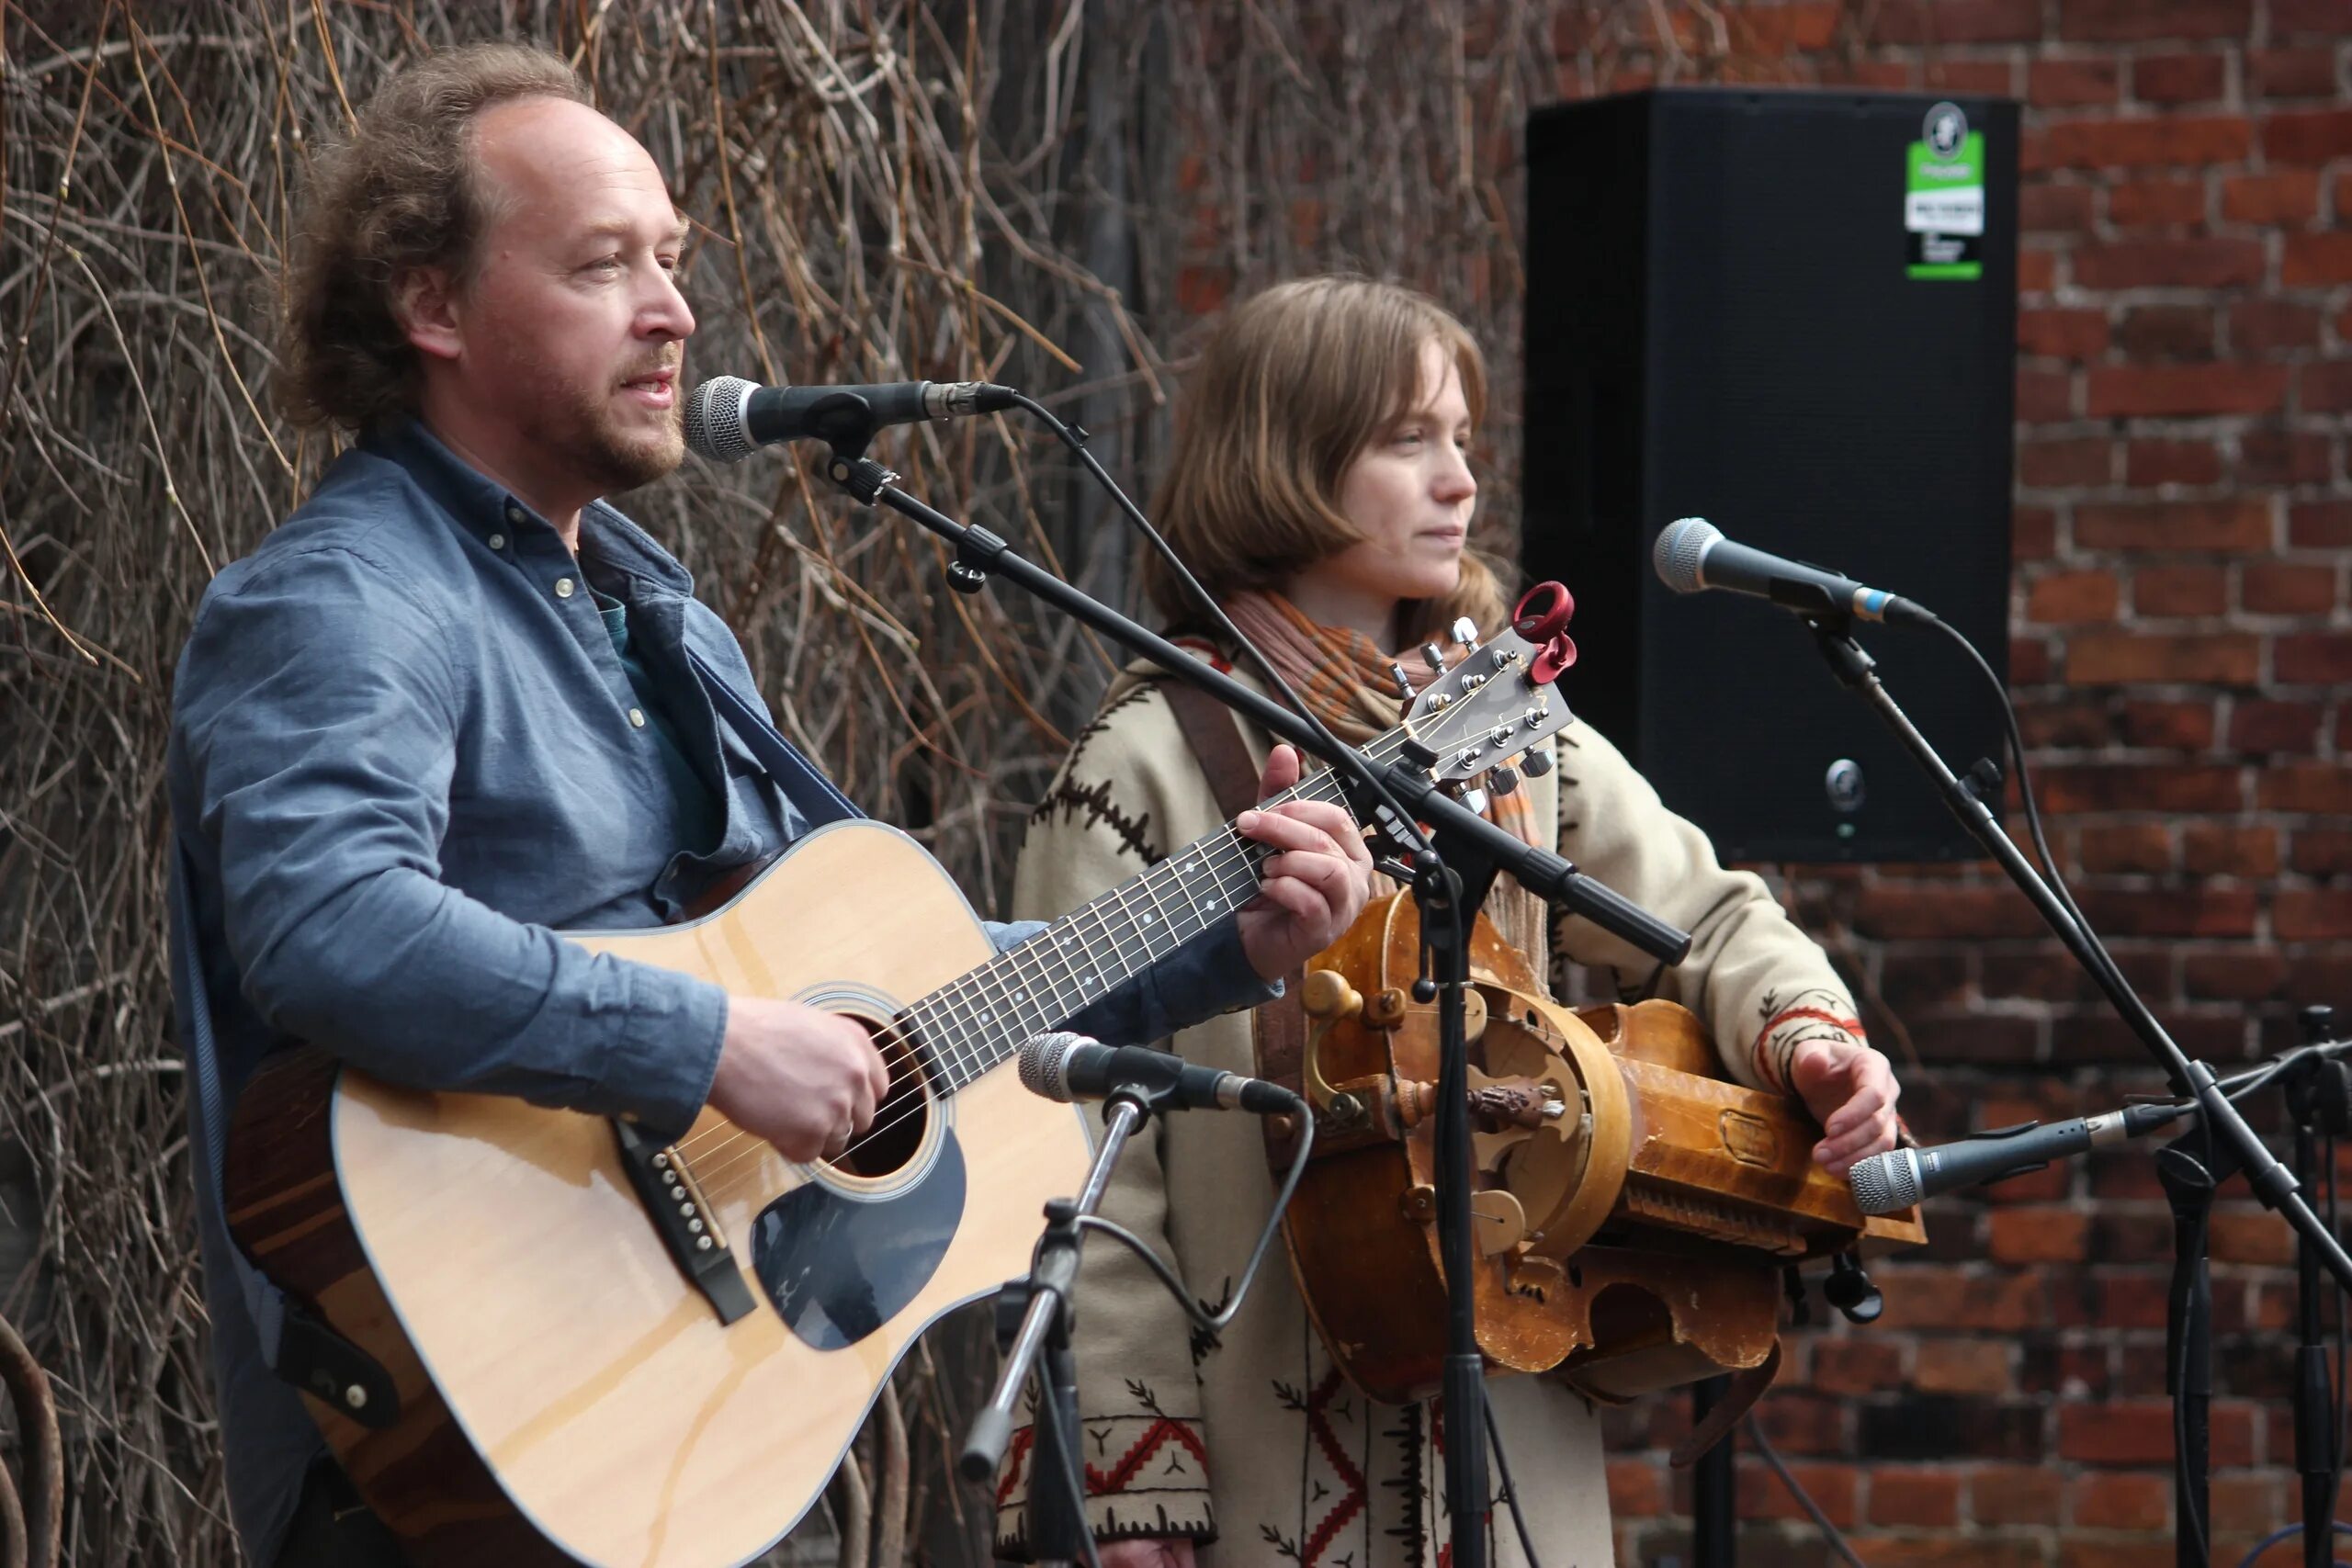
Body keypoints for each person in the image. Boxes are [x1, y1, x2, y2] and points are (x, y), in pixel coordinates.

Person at [165, 46, 1374, 1568]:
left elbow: (884, 993)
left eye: (672, 262)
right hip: (468, 1444)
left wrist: (1228, 934)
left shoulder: (650, 610)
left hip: (705, 1423)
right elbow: (330, 929)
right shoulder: (349, 600)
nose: (672, 310)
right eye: (605, 266)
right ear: (433, 307)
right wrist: (711, 1047)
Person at [995, 276, 1902, 1567]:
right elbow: (1075, 1140)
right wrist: (1136, 1482)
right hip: (1244, 1456)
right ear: (1284, 457)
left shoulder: (1519, 737)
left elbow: (1707, 919)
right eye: (1406, 439)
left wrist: (1806, 1038)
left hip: (1509, 1441)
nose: (1458, 480)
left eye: (1464, 440)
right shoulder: (1144, 758)